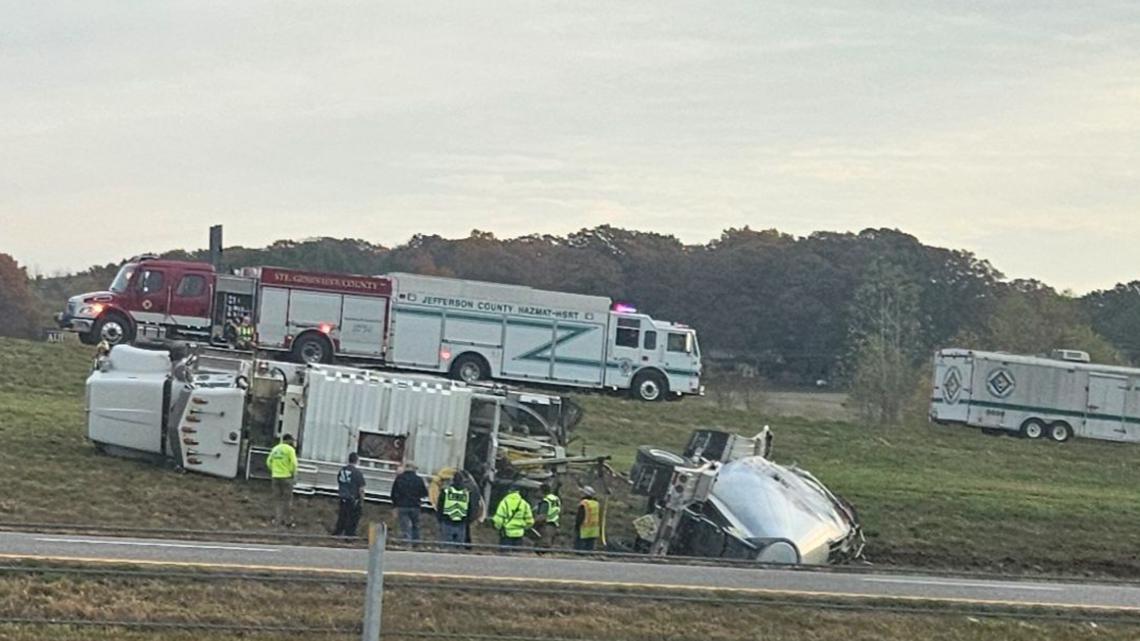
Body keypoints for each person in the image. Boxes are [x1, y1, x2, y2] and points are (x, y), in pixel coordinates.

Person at [391, 462, 428, 542]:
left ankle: (406, 543)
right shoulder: (419, 479)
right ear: (414, 469)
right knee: (416, 526)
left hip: (402, 506)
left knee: (405, 527)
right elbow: (424, 493)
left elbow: (394, 494)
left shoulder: (399, 478)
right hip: (415, 506)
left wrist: (394, 506)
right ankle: (416, 543)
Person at [266, 434, 298, 527]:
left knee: (278, 500)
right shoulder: (290, 450)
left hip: (275, 476)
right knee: (287, 500)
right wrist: (292, 473)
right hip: (286, 477)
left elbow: (268, 462)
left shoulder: (275, 449)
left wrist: (274, 470)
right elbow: (294, 463)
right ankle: (288, 521)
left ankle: (277, 520)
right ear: (288, 440)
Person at [332, 452, 366, 537]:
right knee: (353, 518)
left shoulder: (342, 470)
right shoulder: (357, 473)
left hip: (342, 496)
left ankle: (338, 532)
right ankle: (350, 534)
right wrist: (362, 500)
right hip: (353, 498)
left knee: (342, 516)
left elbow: (339, 481)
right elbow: (361, 488)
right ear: (357, 461)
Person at [492, 482, 534, 548]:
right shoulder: (524, 504)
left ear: (509, 491)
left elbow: (498, 520)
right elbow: (530, 521)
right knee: (516, 553)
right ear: (518, 492)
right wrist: (524, 528)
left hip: (506, 534)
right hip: (519, 535)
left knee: (505, 553)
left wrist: (498, 528)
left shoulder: (504, 503)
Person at [436, 473, 471, 545]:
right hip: (461, 522)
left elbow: (440, 506)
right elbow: (470, 508)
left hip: (447, 521)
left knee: (446, 546)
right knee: (459, 547)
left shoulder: (446, 491)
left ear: (453, 480)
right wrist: (467, 520)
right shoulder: (466, 493)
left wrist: (440, 518)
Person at [533, 483, 561, 549]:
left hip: (546, 525)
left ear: (541, 491)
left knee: (544, 545)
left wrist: (533, 522)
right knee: (549, 544)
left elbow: (542, 516)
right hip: (555, 524)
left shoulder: (546, 501)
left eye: (537, 491)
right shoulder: (556, 498)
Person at [574, 486, 601, 551]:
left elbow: (580, 516)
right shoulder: (596, 503)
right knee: (590, 548)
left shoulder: (584, 503)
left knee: (579, 547)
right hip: (594, 529)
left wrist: (577, 525)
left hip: (584, 528)